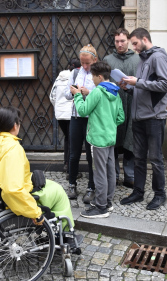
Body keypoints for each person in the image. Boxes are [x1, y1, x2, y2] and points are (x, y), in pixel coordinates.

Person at [0, 107, 77, 231]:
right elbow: (12, 190)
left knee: (48, 184)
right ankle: (66, 234)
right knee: (58, 191)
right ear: (14, 126)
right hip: (10, 201)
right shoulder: (12, 148)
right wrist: (35, 213)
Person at [120, 28, 167, 210]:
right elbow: (143, 88)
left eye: (134, 43)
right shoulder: (142, 60)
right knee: (138, 158)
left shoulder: (158, 57)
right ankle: (138, 192)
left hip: (154, 118)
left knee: (156, 158)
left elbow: (166, 85)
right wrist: (129, 87)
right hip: (139, 117)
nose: (133, 47)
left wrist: (138, 82)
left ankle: (160, 194)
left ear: (145, 39)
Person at [71, 61, 124, 218]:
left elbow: (82, 110)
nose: (92, 79)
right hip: (110, 137)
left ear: (100, 77)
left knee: (99, 173)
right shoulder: (115, 92)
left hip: (98, 139)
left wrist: (77, 96)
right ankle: (107, 202)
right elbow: (120, 117)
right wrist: (109, 124)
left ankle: (101, 207)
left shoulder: (97, 92)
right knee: (110, 171)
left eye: (93, 76)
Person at [103, 28, 140, 188]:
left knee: (130, 141)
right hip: (113, 106)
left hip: (132, 105)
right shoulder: (108, 60)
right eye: (117, 41)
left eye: (123, 41)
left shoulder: (137, 60)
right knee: (114, 141)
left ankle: (130, 175)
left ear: (128, 41)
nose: (119, 44)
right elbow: (103, 82)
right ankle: (114, 175)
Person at [64, 44, 98, 203]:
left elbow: (101, 95)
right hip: (76, 117)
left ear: (95, 60)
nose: (84, 66)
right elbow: (66, 94)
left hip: (91, 118)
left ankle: (91, 187)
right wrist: (73, 92)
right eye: (82, 62)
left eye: (87, 63)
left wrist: (88, 93)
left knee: (91, 155)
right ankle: (72, 184)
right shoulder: (75, 73)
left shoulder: (98, 74)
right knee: (74, 153)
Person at [49, 58, 81, 173]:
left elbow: (52, 96)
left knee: (67, 138)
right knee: (72, 139)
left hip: (60, 114)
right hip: (71, 113)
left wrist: (58, 107)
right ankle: (70, 166)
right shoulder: (77, 77)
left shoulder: (59, 78)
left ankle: (66, 163)